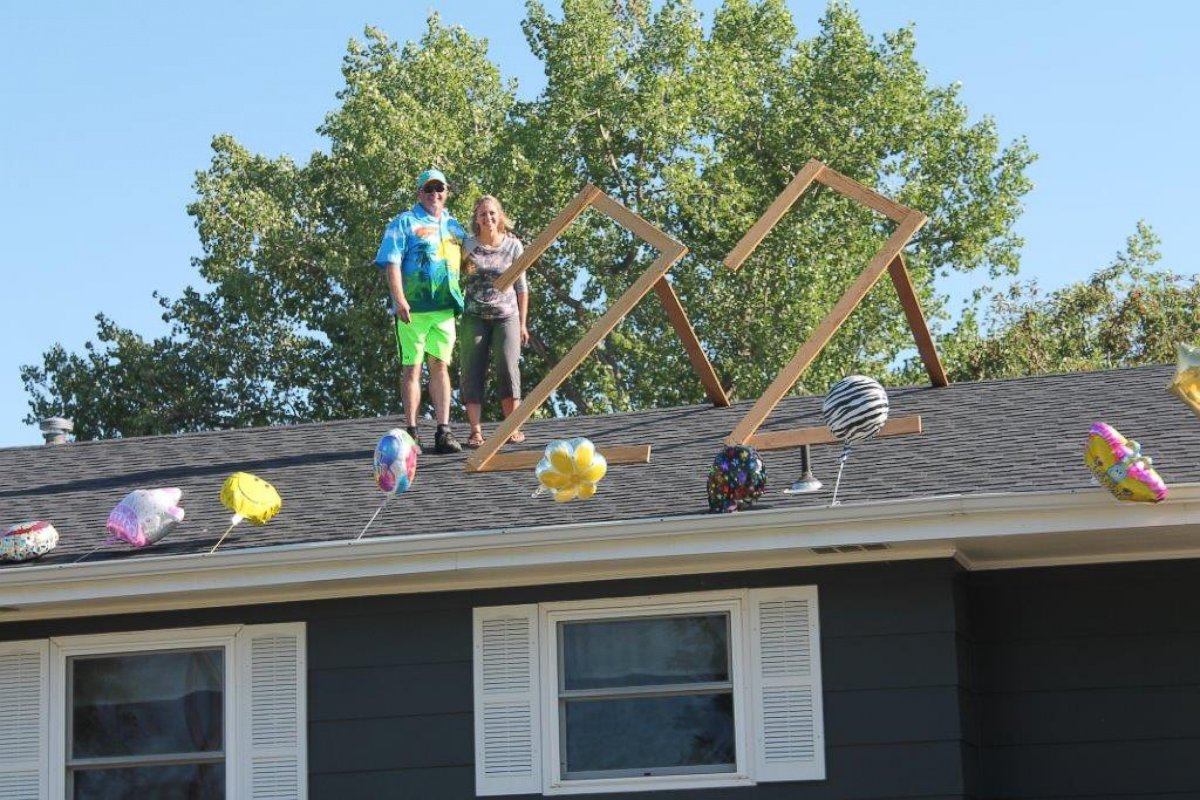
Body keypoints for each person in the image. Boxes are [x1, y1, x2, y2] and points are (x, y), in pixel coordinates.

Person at [373, 168, 465, 453]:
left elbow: (475, 254)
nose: (434, 195)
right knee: (412, 367)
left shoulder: (454, 226)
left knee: (440, 366)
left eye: (440, 189)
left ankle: (443, 430)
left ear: (447, 192)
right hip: (413, 310)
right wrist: (398, 298)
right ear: (419, 193)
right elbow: (391, 261)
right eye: (428, 190)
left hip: (445, 309)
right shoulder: (404, 222)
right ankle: (412, 432)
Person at [459, 195, 529, 448]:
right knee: (471, 369)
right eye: (482, 214)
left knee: (508, 367)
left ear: (499, 215)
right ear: (476, 220)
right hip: (474, 317)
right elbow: (453, 274)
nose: (487, 218)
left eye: (491, 213)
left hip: (506, 316)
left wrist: (522, 323)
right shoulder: (467, 246)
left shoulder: (513, 246)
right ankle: (475, 431)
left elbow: (522, 287)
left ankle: (512, 427)